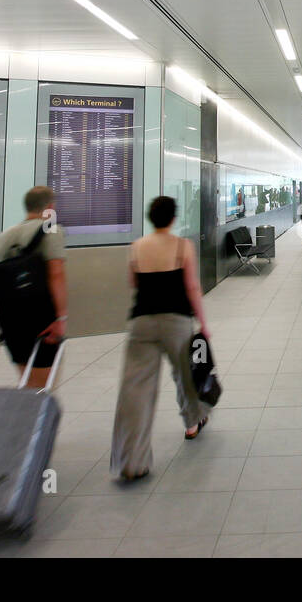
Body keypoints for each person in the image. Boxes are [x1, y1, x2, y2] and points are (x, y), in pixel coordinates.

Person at [111, 196, 212, 482]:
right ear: (173, 218)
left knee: (136, 390)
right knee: (185, 375)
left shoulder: (137, 247)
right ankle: (192, 424)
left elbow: (133, 283)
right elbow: (192, 286)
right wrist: (203, 323)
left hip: (141, 322)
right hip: (176, 320)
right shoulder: (182, 246)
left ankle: (132, 461)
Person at [0, 186, 67, 388]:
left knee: (27, 380)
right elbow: (56, 273)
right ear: (50, 207)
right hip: (42, 318)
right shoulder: (51, 230)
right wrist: (61, 316)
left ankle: (27, 415)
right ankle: (32, 419)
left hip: (9, 321)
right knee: (42, 388)